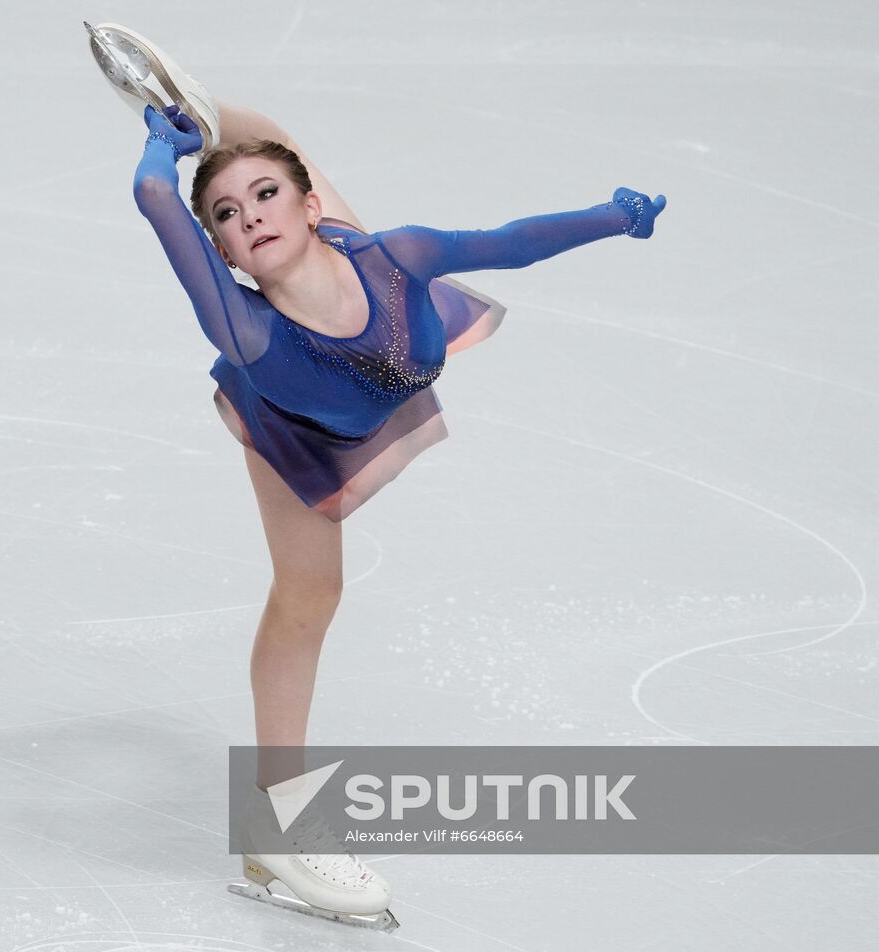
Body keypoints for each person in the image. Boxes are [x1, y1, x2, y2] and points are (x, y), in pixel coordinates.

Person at [86, 21, 666, 933]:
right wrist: (161, 153)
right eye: (228, 221)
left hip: (378, 320)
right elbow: (157, 202)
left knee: (281, 157)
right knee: (310, 597)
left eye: (266, 200)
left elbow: (510, 241)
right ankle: (277, 825)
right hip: (299, 416)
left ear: (309, 208)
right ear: (227, 258)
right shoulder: (246, 330)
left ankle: (198, 100)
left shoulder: (392, 253)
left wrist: (610, 217)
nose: (248, 219)